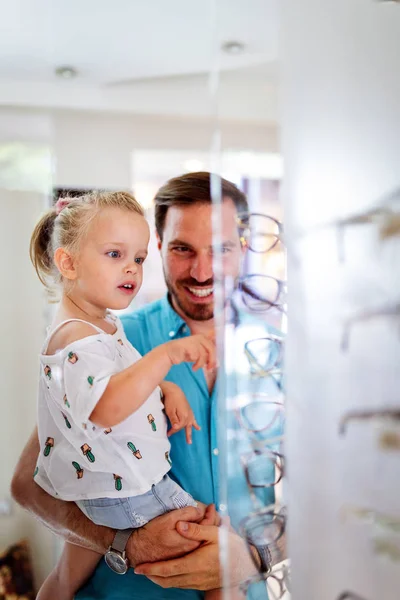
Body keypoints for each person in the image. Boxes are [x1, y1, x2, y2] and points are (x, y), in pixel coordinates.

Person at [11, 172, 277, 600]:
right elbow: (28, 483)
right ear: (159, 246)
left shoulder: (285, 353)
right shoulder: (107, 337)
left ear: (244, 247)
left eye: (221, 249)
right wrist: (124, 544)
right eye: (182, 249)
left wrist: (259, 555)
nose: (202, 270)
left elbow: (339, 496)